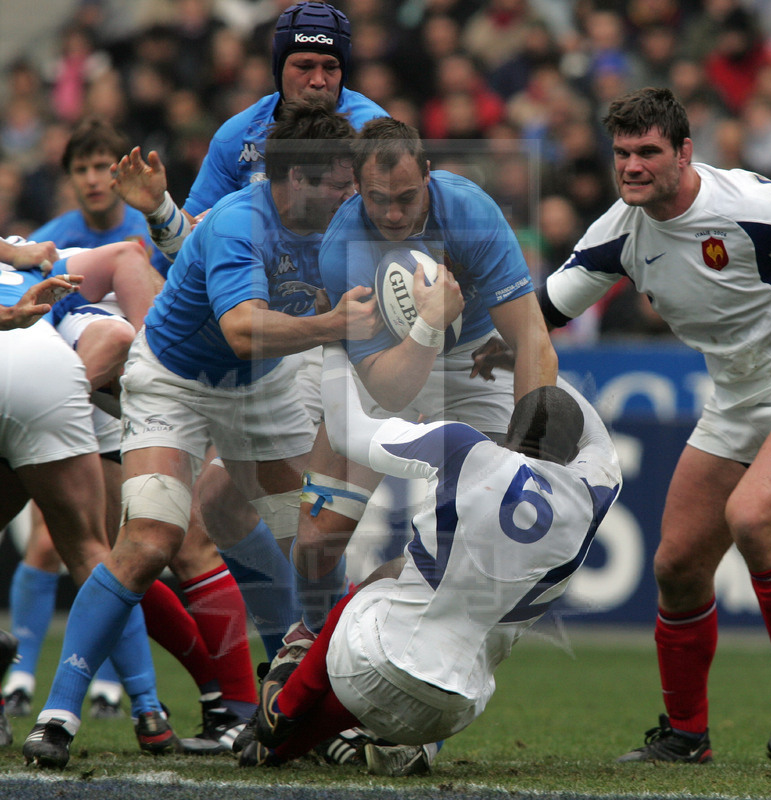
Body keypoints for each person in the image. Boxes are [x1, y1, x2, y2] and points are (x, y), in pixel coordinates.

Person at [21, 95, 380, 771]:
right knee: (153, 538)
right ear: (297, 178)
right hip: (175, 379)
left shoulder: (343, 220)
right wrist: (334, 325)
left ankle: (299, 705)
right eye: (338, 178)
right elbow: (244, 328)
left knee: (312, 549)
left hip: (262, 386)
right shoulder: (243, 220)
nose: (350, 190)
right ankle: (57, 715)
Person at [534, 86, 771, 762]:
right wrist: (455, 324)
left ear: (683, 152)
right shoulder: (621, 229)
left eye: (647, 152)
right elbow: (544, 313)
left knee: (753, 517)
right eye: (621, 153)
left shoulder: (754, 211)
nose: (631, 167)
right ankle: (685, 736)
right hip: (737, 397)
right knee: (676, 565)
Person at [240, 342, 621, 771]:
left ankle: (288, 701)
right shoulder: (595, 494)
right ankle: (381, 747)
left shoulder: (465, 446)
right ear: (573, 456)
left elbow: (346, 430)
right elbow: (598, 436)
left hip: (367, 665)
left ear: (509, 434)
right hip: (457, 708)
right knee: (416, 641)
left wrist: (336, 344)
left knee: (386, 582)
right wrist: (527, 359)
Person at [5, 116, 258, 750]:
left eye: (103, 166)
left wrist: (160, 376)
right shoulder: (48, 240)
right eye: (82, 168)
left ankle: (225, 703)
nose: (95, 179)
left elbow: (136, 325)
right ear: (69, 179)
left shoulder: (128, 232)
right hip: (79, 398)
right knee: (109, 553)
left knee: (168, 547)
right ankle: (188, 703)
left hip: (129, 395)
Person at [307, 115, 557, 641]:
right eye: (378, 199)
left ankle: (337, 637)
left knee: (461, 543)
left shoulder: (469, 210)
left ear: (427, 173)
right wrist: (428, 322)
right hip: (391, 363)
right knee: (315, 541)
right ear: (356, 186)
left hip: (475, 362)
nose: (393, 213)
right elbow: (388, 390)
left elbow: (532, 339)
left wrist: (525, 453)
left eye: (406, 196)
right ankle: (308, 639)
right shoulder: (340, 249)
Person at [0, 237, 178, 768]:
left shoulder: (46, 262)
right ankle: (147, 710)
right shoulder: (60, 274)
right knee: (91, 552)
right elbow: (120, 325)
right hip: (50, 375)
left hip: (24, 346)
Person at [111, 1, 388, 263]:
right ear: (278, 69)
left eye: (330, 67)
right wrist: (159, 208)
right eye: (304, 66)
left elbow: (404, 233)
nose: (318, 80)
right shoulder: (236, 136)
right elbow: (189, 252)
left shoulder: (375, 132)